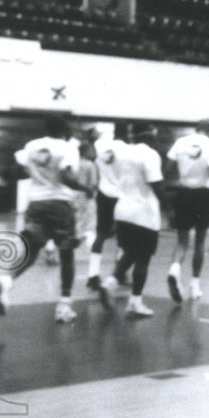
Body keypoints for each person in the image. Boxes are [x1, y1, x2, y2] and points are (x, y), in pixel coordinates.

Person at [0, 116, 94, 323]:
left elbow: (17, 171)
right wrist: (85, 187)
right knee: (66, 255)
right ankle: (64, 306)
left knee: (31, 252)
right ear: (65, 130)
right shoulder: (68, 149)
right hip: (60, 204)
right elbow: (67, 177)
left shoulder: (31, 146)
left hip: (35, 205)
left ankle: (6, 280)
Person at [101, 123, 164, 318]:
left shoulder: (121, 153)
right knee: (143, 258)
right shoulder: (150, 154)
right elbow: (157, 185)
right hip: (143, 211)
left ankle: (110, 282)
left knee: (130, 252)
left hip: (122, 210)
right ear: (148, 135)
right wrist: (170, 210)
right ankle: (135, 302)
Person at [165, 119, 209, 302]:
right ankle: (194, 285)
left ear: (196, 129)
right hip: (203, 195)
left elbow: (167, 168)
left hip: (183, 193)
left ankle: (174, 268)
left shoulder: (181, 142)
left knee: (182, 240)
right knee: (199, 241)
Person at [86, 126, 125, 299]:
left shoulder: (100, 147)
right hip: (121, 195)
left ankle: (92, 274)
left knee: (100, 235)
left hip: (103, 194)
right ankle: (120, 271)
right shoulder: (126, 150)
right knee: (123, 236)